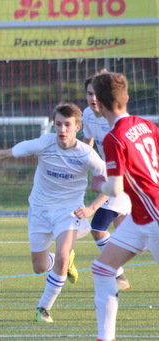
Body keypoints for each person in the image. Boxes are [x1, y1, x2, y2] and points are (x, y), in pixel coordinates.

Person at [0, 102, 107, 323]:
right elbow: (4, 154)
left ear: (77, 128)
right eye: (58, 124)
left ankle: (43, 308)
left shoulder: (87, 155)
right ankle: (62, 261)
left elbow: (110, 183)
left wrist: (92, 208)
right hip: (40, 210)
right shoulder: (44, 144)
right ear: (53, 124)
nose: (62, 130)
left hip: (68, 212)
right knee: (40, 267)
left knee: (62, 257)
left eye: (67, 125)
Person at [90, 72, 159, 341]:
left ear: (100, 104)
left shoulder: (114, 138)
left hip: (153, 213)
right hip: (139, 216)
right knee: (104, 268)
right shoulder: (146, 124)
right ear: (126, 98)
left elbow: (115, 188)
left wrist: (98, 184)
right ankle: (105, 338)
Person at [80, 72, 131, 291]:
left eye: (96, 93)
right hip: (114, 179)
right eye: (89, 93)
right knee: (124, 236)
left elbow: (118, 175)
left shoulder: (118, 127)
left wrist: (92, 205)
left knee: (99, 226)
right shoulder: (88, 115)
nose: (93, 98)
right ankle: (117, 276)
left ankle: (118, 277)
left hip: (127, 183)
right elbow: (87, 143)